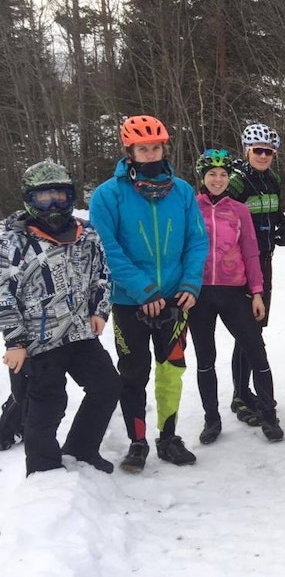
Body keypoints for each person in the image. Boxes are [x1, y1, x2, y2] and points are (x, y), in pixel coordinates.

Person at [89, 115, 209, 473]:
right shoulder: (108, 195)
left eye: (155, 147)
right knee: (133, 373)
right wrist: (142, 289)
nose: (150, 153)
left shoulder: (183, 191)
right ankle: (137, 442)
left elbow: (197, 241)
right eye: (143, 148)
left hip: (175, 299)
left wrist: (190, 283)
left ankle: (168, 437)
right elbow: (107, 248)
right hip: (130, 302)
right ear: (130, 151)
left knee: (171, 370)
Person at [1, 161, 120, 475]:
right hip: (38, 342)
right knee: (47, 406)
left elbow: (103, 274)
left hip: (80, 333)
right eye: (45, 197)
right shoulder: (12, 241)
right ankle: (44, 471)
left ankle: (82, 449)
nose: (54, 204)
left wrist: (100, 310)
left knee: (107, 386)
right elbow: (4, 295)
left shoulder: (86, 233)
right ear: (30, 199)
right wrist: (14, 341)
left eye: (61, 195)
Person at [188, 149, 283, 444]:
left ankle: (269, 415)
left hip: (234, 290)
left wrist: (257, 292)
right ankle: (211, 419)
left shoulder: (239, 210)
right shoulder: (189, 208)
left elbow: (251, 254)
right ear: (202, 177)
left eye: (224, 174)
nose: (218, 180)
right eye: (212, 174)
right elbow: (180, 252)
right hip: (199, 294)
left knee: (256, 351)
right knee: (206, 359)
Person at [226, 123, 285, 428]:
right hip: (241, 264)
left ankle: (244, 390)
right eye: (258, 150)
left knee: (257, 327)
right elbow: (224, 213)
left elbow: (271, 209)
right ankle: (240, 394)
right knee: (247, 330)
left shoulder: (272, 179)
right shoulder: (237, 182)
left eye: (269, 152)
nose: (264, 156)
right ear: (247, 150)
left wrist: (281, 224)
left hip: (265, 260)